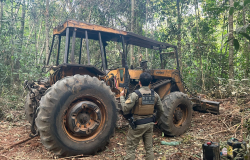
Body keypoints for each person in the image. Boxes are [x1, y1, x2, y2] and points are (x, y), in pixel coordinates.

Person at [120, 72, 164, 160]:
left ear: (139, 82)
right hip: (149, 124)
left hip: (137, 125)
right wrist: (156, 119)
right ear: (150, 83)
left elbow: (125, 108)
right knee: (149, 148)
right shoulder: (155, 95)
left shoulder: (135, 95)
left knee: (131, 149)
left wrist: (121, 97)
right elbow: (161, 110)